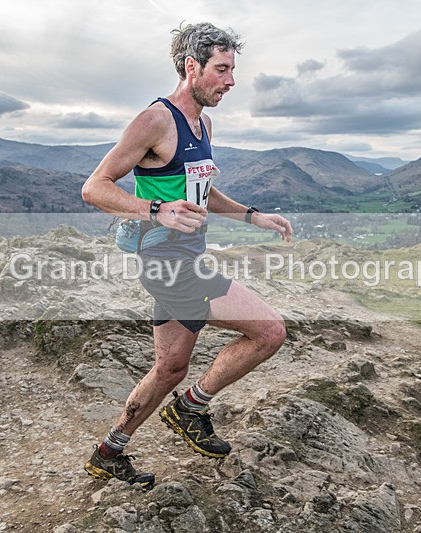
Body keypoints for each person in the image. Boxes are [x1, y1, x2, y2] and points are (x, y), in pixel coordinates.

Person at [80, 22, 292, 488]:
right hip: (167, 264)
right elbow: (94, 188)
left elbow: (202, 190)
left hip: (186, 260)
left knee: (170, 367)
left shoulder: (203, 123)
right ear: (191, 67)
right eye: (221, 69)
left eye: (232, 69)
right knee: (270, 331)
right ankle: (191, 410)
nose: (231, 81)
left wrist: (251, 216)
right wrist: (155, 209)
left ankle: (109, 451)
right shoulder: (155, 120)